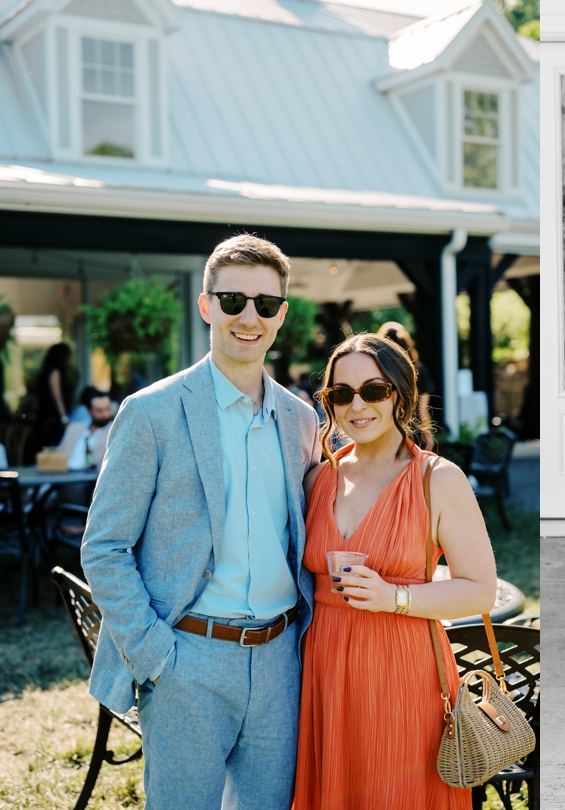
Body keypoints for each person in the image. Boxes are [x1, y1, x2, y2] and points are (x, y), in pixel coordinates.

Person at [81, 234, 320, 810]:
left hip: (281, 661)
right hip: (186, 660)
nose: (249, 317)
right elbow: (105, 547)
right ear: (206, 305)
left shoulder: (301, 420)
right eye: (233, 300)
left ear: (281, 315)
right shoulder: (151, 412)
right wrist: (155, 654)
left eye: (265, 304)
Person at [293, 333, 496, 809]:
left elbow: (479, 591)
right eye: (341, 394)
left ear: (400, 396)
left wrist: (395, 597)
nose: (357, 405)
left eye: (373, 390)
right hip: (324, 671)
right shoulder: (316, 478)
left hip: (402, 669)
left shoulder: (437, 479)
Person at [377, 321, 433, 430]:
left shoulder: (379, 371)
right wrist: (428, 434)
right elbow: (423, 410)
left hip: (386, 429)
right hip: (414, 430)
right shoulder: (419, 370)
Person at [33, 342, 74, 453]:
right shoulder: (55, 372)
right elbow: (57, 397)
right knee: (52, 449)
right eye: (68, 357)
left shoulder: (48, 371)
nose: (69, 360)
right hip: (52, 420)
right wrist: (64, 418)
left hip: (46, 417)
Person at [58, 389, 113, 469]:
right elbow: (58, 453)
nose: (105, 414)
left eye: (107, 409)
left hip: (90, 476)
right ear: (89, 411)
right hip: (63, 473)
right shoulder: (73, 428)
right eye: (99, 411)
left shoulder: (115, 433)